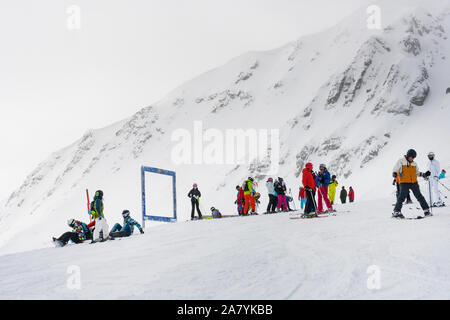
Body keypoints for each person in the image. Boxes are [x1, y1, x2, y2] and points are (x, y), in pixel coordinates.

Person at [392, 149, 431, 218]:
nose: (412, 158)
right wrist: (394, 174)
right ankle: (396, 212)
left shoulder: (414, 164)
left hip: (414, 182)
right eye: (411, 157)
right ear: (407, 155)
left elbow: (417, 173)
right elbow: (395, 169)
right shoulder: (401, 161)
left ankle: (426, 210)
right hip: (404, 182)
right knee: (401, 197)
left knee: (419, 196)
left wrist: (424, 174)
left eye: (413, 157)